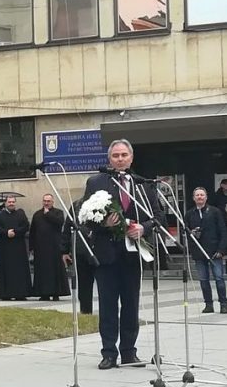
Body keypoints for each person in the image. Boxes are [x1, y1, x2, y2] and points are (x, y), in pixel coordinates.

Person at [82, 138, 163, 370]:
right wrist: (104, 224)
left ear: (131, 157)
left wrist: (143, 228)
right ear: (109, 159)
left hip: (132, 255)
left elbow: (158, 217)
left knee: (131, 305)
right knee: (108, 306)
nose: (119, 159)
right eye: (115, 156)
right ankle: (109, 353)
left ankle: (129, 352)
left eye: (123, 155)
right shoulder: (96, 182)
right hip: (106, 254)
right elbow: (85, 219)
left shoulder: (143, 184)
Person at [185, 187, 227, 314]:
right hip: (199, 252)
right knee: (203, 280)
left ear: (206, 197)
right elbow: (186, 232)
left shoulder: (215, 212)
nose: (199, 197)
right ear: (193, 198)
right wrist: (192, 234)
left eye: (202, 195)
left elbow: (223, 231)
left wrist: (222, 249)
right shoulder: (189, 213)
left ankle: (224, 304)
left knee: (219, 278)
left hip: (215, 251)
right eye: (197, 195)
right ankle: (208, 304)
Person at [30, 194, 70, 301]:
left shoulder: (58, 213)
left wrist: (48, 214)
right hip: (41, 249)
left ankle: (56, 293)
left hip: (54, 248)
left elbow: (60, 223)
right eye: (44, 201)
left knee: (55, 271)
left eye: (48, 201)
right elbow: (32, 231)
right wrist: (31, 247)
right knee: (42, 272)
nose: (46, 203)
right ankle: (44, 294)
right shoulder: (37, 214)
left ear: (53, 202)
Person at [0, 195, 32, 301]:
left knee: (20, 271)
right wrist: (6, 233)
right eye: (9, 202)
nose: (11, 204)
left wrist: (15, 232)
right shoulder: (0, 215)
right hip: (5, 248)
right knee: (6, 271)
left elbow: (26, 226)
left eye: (13, 202)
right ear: (5, 203)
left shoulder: (21, 214)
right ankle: (6, 294)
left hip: (19, 247)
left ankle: (21, 293)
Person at [62, 200, 96, 314]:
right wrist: (65, 251)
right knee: (84, 285)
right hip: (81, 250)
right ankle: (86, 312)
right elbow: (67, 227)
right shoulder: (77, 204)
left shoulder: (106, 201)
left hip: (100, 250)